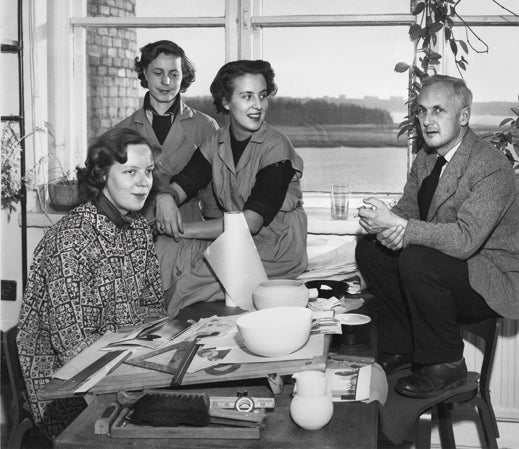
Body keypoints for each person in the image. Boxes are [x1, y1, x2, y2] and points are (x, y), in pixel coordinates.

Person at [355, 74, 519, 398]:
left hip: (490, 278)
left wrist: (403, 231)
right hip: (448, 270)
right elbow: (408, 210)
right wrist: (383, 224)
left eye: (438, 111)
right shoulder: (426, 157)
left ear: (464, 116)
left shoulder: (491, 167)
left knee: (417, 258)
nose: (427, 121)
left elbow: (465, 240)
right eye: (421, 111)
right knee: (369, 251)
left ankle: (447, 364)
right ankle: (405, 344)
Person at [16, 128, 165, 439]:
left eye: (148, 171)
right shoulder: (71, 242)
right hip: (63, 388)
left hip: (121, 367)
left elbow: (153, 308)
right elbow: (72, 347)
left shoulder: (138, 229)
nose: (144, 182)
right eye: (130, 172)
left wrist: (159, 355)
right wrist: (126, 384)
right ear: (102, 176)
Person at [156, 59, 308, 317]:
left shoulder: (277, 147)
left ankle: (171, 332)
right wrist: (165, 197)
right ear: (226, 102)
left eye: (262, 96)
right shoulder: (216, 141)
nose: (258, 106)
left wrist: (182, 230)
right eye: (247, 97)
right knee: (162, 250)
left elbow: (250, 224)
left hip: (274, 249)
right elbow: (185, 183)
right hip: (234, 242)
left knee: (186, 285)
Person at [115, 40, 219, 290]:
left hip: (190, 237)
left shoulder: (206, 127)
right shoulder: (122, 131)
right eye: (158, 73)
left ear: (183, 77)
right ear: (145, 75)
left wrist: (217, 245)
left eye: (174, 74)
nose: (166, 82)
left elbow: (215, 198)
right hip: (139, 243)